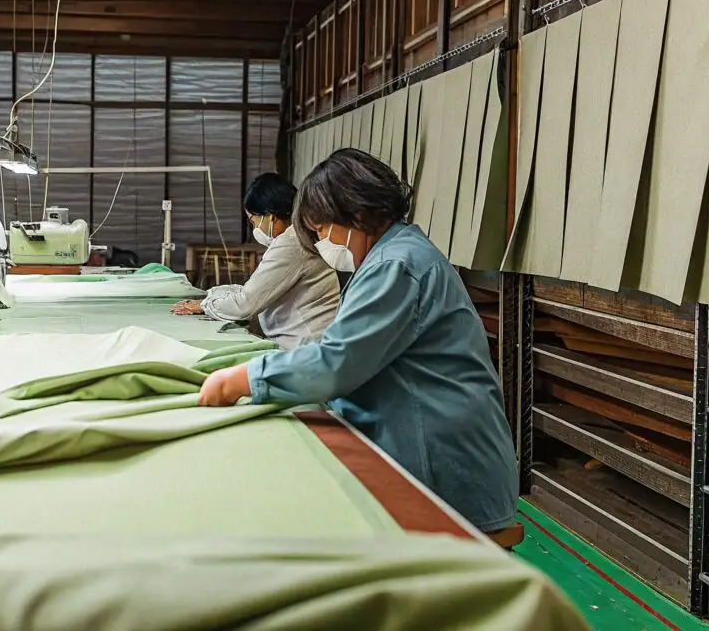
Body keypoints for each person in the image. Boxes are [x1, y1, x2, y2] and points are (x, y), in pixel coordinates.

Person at [197, 149, 518, 534]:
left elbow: (339, 361)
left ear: (358, 215)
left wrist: (246, 378)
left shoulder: (395, 266)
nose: (323, 244)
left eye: (323, 231)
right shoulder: (393, 255)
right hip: (428, 445)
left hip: (442, 464)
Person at [172, 173, 340, 350]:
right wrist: (210, 295)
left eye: (254, 221)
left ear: (270, 216)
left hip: (306, 346)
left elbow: (246, 303)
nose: (255, 229)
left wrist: (205, 305)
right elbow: (254, 289)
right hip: (310, 341)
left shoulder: (291, 244)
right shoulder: (298, 237)